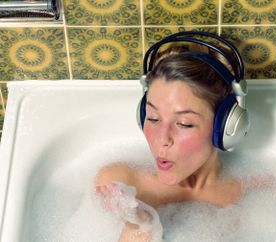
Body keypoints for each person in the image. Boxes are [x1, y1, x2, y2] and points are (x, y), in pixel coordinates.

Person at [94, 31, 249, 242]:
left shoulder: (252, 194)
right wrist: (141, 224)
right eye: (153, 118)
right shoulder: (120, 186)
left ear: (225, 128)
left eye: (184, 123)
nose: (161, 139)